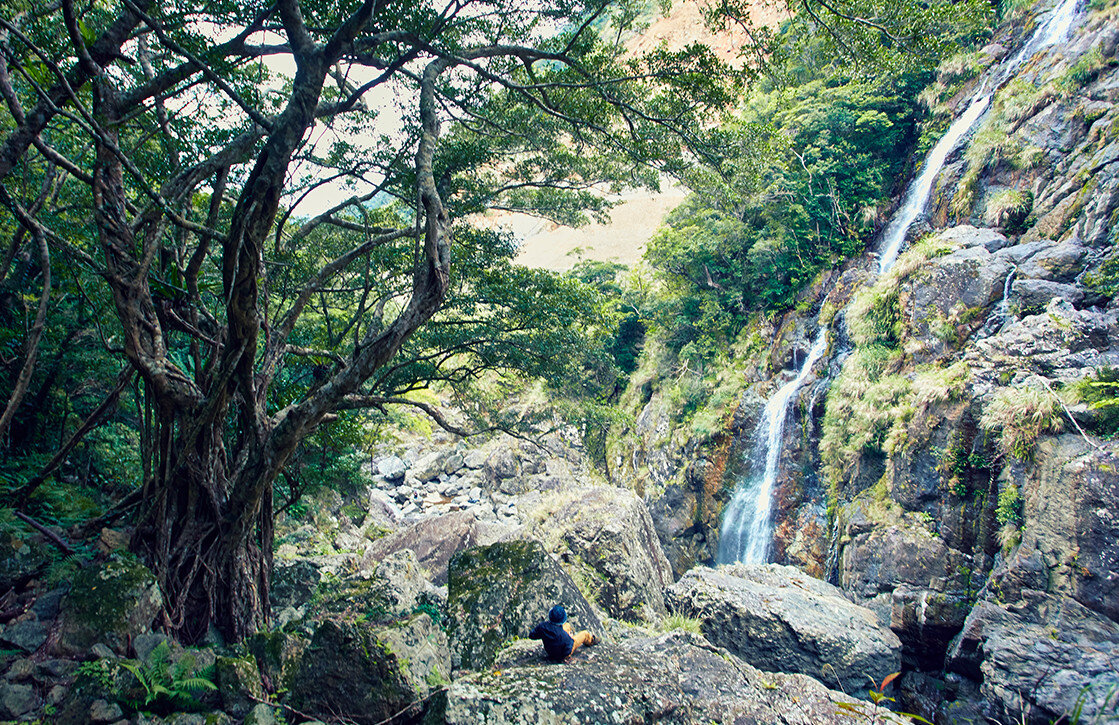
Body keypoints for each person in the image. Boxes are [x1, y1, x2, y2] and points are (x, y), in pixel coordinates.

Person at [529, 605, 597, 661]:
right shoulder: (564, 636)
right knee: (584, 634)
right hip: (561, 654)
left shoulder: (543, 626)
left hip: (550, 652)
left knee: (567, 625)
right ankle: (591, 640)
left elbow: (532, 635)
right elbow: (568, 648)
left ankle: (571, 633)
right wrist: (570, 638)